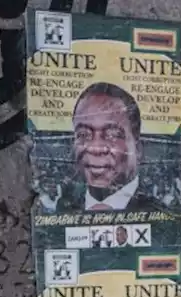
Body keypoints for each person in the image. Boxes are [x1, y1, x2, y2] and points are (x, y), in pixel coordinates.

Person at [54, 83, 162, 212]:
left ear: (138, 148)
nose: (96, 148)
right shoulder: (63, 209)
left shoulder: (160, 214)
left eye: (113, 135)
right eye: (83, 134)